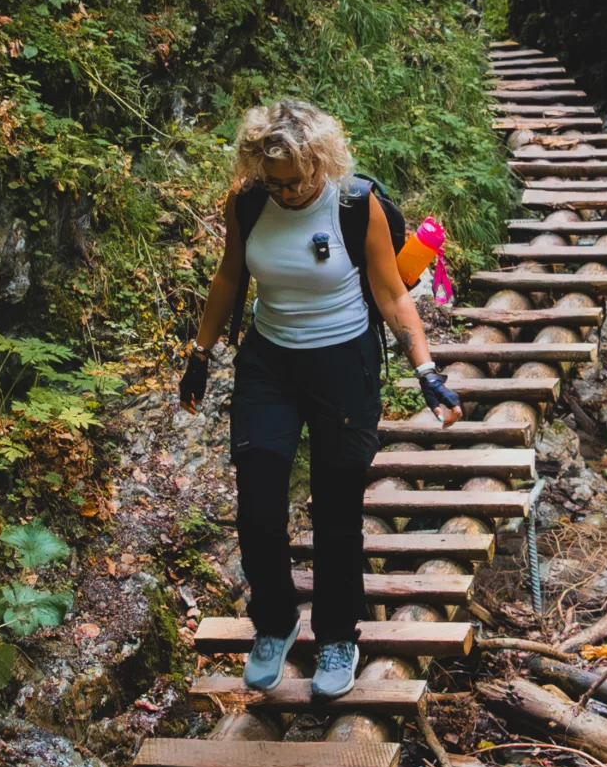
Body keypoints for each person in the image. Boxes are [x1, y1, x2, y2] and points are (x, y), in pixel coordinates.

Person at [177, 98, 461, 702]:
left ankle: (337, 635)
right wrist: (199, 354)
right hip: (269, 362)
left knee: (336, 511)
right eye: (274, 181)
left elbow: (391, 294)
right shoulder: (248, 200)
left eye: (296, 181)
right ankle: (274, 623)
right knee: (257, 507)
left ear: (321, 165)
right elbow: (228, 275)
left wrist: (427, 371)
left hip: (343, 365)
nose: (285, 193)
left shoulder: (354, 205)